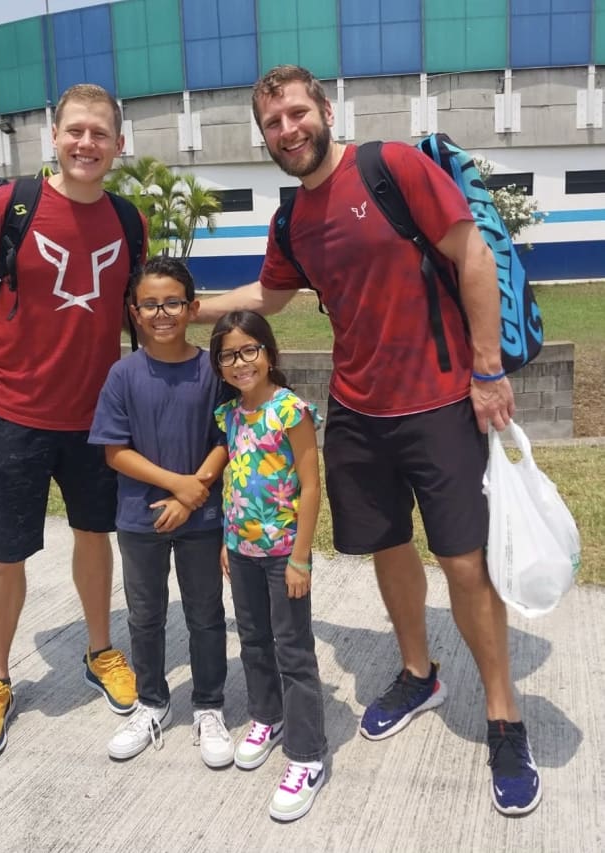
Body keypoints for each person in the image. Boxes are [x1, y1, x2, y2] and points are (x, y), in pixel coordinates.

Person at [196, 65, 541, 817]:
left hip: (443, 398)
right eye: (272, 125)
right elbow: (273, 295)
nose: (287, 130)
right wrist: (186, 309)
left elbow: (472, 253)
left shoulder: (392, 167)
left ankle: (504, 715)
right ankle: (419, 672)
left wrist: (487, 370)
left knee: (461, 559)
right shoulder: (291, 221)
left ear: (324, 108)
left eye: (295, 113)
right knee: (387, 546)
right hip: (356, 409)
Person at [0, 83, 143, 759]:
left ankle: (99, 647)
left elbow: (141, 311)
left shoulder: (127, 220)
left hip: (95, 417)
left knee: (93, 535)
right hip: (16, 415)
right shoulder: (7, 206)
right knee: (7, 551)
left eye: (99, 133)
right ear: (54, 136)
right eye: (75, 130)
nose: (87, 143)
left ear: (117, 143)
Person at [89, 256, 234, 768]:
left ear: (193, 308)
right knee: (145, 615)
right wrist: (180, 487)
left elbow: (225, 439)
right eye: (149, 304)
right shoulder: (123, 374)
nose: (161, 312)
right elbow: (114, 451)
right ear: (134, 312)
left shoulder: (211, 372)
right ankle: (151, 701)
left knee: (206, 614)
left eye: (172, 302)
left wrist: (194, 494)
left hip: (202, 520)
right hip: (139, 517)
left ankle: (209, 705)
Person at [210, 309, 327, 822]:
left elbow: (310, 486)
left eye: (248, 350)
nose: (240, 362)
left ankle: (307, 755)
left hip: (284, 557)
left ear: (269, 352)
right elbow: (233, 479)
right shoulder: (230, 415)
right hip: (241, 550)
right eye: (229, 355)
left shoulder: (290, 411)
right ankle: (266, 716)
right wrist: (225, 539)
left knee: (293, 651)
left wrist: (301, 557)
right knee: (253, 640)